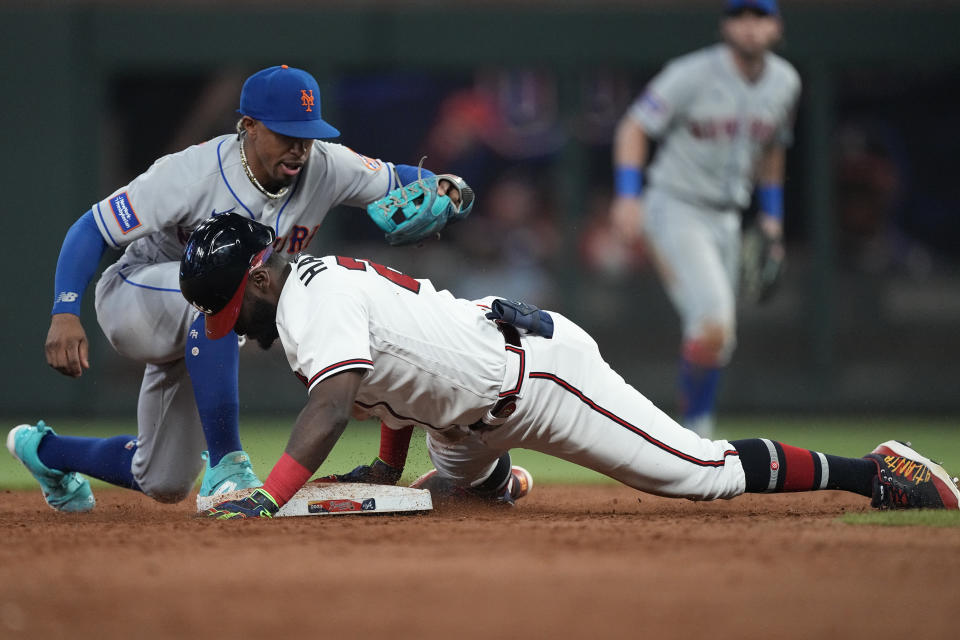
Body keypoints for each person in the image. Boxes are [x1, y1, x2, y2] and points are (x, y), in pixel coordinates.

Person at [175, 213, 958, 519]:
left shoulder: (308, 303)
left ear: (260, 276)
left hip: (540, 380)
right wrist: (385, 473)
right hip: (465, 415)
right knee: (450, 501)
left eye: (231, 307)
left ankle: (874, 472)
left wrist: (267, 500)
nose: (234, 327)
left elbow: (334, 402)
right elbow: (390, 384)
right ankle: (497, 479)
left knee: (701, 472)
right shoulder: (313, 293)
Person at [7, 65, 472, 513]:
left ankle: (44, 450)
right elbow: (92, 229)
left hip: (200, 322)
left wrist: (448, 191)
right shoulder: (190, 173)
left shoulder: (327, 166)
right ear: (248, 125)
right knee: (221, 289)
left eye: (307, 134)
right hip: (136, 294)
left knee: (165, 479)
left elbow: (411, 181)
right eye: (286, 134)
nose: (300, 148)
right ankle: (229, 465)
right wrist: (64, 311)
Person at [609, 0, 800, 437]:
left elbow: (773, 149)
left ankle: (691, 432)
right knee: (713, 319)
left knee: (718, 337)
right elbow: (633, 128)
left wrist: (772, 219)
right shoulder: (691, 73)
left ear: (776, 27)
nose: (750, 27)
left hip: (728, 217)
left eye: (760, 17)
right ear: (725, 26)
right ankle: (696, 436)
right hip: (675, 207)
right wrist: (627, 196)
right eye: (740, 17)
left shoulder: (786, 82)